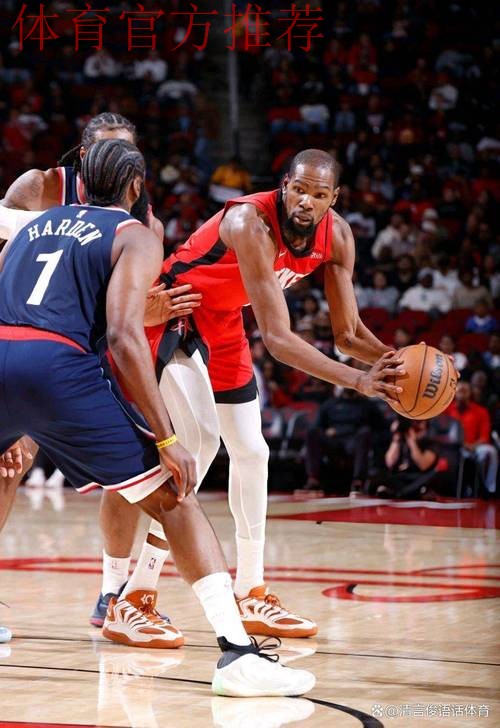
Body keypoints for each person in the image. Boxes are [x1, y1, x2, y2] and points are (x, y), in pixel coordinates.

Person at [0, 138, 315, 697]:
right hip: (59, 366)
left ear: (79, 181)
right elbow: (124, 336)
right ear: (135, 187)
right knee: (173, 496)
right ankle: (237, 655)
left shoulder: (32, 226)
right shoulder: (134, 233)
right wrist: (166, 436)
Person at [126, 148, 405, 642]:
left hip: (224, 322)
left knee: (254, 452)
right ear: (284, 186)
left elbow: (347, 334)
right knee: (200, 445)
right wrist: (360, 382)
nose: (306, 201)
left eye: (319, 194)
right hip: (176, 310)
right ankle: (135, 596)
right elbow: (277, 339)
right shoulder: (248, 222)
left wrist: (397, 363)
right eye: (299, 189)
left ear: (334, 198)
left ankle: (251, 591)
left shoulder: (338, 236)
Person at [0, 112, 202, 632]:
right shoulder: (40, 188)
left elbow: (122, 321)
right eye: (110, 150)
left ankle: (113, 590)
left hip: (89, 353)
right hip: (24, 338)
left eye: (129, 152)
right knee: (8, 467)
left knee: (128, 475)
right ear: (84, 155)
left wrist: (151, 316)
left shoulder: (145, 224)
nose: (121, 160)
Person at [304, 385, 384, 495]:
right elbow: (317, 427)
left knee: (365, 432)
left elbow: (381, 429)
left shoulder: (367, 405)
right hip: (333, 442)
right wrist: (326, 432)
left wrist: (340, 430)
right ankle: (313, 479)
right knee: (312, 433)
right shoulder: (330, 404)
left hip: (354, 441)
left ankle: (358, 481)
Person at [447, 381, 498, 495]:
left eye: (465, 391)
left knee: (490, 452)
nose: (461, 394)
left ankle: (489, 489)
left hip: (475, 447)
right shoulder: (447, 409)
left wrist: (473, 446)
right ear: (454, 393)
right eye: (459, 391)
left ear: (470, 393)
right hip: (453, 447)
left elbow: (484, 437)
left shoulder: (481, 411)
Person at [375, 419, 439, 498]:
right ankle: (405, 492)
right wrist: (396, 437)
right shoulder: (400, 441)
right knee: (380, 476)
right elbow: (390, 463)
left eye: (418, 430)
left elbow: (423, 465)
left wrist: (412, 442)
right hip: (401, 477)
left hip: (418, 478)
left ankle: (401, 493)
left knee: (432, 476)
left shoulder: (431, 444)